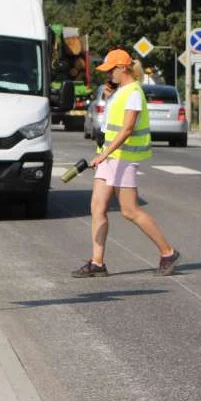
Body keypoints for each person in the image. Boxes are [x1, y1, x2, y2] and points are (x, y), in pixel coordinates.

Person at [72, 49, 180, 278]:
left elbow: (127, 129)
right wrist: (108, 97)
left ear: (122, 68)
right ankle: (97, 262)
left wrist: (104, 154)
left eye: (111, 70)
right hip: (109, 158)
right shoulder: (120, 91)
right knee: (97, 207)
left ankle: (168, 252)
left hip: (123, 158)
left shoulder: (133, 92)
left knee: (130, 211)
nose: (108, 75)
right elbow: (111, 123)